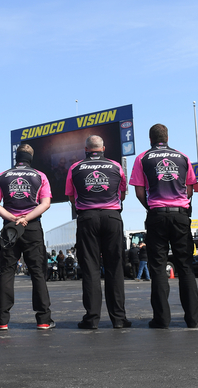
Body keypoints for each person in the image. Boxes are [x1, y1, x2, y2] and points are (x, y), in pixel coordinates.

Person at [129, 124, 198, 328]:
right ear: (167, 137)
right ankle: (193, 319)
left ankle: (162, 319)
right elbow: (189, 190)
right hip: (180, 216)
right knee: (185, 267)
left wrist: (151, 207)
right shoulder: (183, 157)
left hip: (157, 215)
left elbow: (140, 192)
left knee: (158, 268)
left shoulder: (142, 158)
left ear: (150, 138)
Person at [66, 135, 130, 329]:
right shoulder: (116, 166)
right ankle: (118, 319)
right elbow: (123, 194)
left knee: (91, 269)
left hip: (87, 218)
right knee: (115, 268)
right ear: (103, 147)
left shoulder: (75, 168)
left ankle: (92, 318)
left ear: (86, 149)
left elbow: (70, 196)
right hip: (112, 217)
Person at [0, 143, 54, 330]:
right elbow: (46, 203)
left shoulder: (2, 176)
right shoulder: (40, 176)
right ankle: (43, 320)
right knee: (37, 272)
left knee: (7, 271)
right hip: (32, 226)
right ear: (31, 158)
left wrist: (13, 218)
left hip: (10, 226)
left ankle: (2, 321)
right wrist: (26, 218)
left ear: (16, 157)